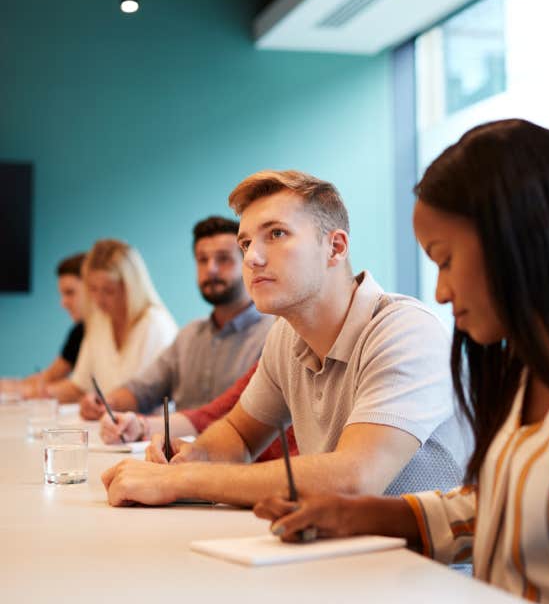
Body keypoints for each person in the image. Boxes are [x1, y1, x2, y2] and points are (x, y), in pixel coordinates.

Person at [254, 120, 549, 604]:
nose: (442, 292)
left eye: (445, 261)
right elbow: (504, 503)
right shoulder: (535, 370)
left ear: (520, 244)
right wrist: (359, 515)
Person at [101, 169, 467, 508]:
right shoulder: (286, 336)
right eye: (245, 243)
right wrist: (194, 457)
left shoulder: (405, 331)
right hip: (336, 556)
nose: (253, 258)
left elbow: (355, 479)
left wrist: (184, 480)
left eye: (276, 234)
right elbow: (239, 434)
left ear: (336, 248)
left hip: (422, 571)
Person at [80, 216, 273, 420]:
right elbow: (143, 389)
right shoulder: (189, 335)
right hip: (177, 448)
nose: (211, 269)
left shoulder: (271, 335)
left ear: (247, 262)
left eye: (223, 259)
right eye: (202, 260)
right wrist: (106, 403)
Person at [47, 239, 177, 404]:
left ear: (131, 287)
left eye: (109, 291)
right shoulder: (99, 322)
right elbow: (79, 386)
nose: (99, 300)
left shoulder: (155, 325)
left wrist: (105, 404)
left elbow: (149, 397)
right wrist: (37, 393)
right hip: (109, 424)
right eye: (93, 289)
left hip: (148, 426)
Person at [100, 362, 298, 462]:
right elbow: (218, 420)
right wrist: (141, 426)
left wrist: (193, 479)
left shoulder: (269, 333)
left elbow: (322, 475)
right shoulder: (281, 343)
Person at [1, 253, 86, 399]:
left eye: (70, 293)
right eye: (62, 294)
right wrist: (15, 385)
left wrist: (20, 392)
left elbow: (78, 388)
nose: (63, 302)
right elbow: (52, 375)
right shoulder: (80, 331)